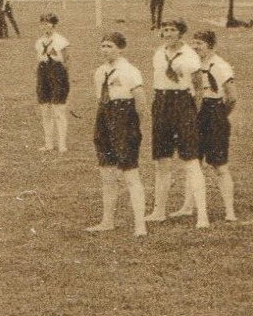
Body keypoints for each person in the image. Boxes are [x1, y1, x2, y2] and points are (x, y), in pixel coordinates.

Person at [88, 33, 148, 237]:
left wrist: (135, 127)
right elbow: (101, 99)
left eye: (110, 46)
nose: (105, 50)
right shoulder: (100, 72)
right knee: (107, 173)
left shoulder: (129, 71)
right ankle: (107, 221)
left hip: (124, 118)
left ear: (120, 48)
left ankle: (140, 225)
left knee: (130, 173)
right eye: (103, 46)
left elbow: (140, 102)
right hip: (105, 116)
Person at [147, 20, 206, 226]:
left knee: (190, 159)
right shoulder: (158, 53)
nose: (168, 33)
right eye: (165, 30)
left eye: (172, 30)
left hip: (182, 103)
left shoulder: (190, 56)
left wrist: (193, 113)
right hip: (161, 103)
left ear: (181, 33)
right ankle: (159, 211)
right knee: (161, 160)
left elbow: (199, 88)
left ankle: (202, 216)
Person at [189, 30, 237, 222]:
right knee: (194, 162)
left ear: (210, 45)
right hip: (196, 113)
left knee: (220, 165)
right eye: (194, 43)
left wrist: (219, 116)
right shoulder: (192, 66)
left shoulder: (221, 66)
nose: (195, 46)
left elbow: (232, 97)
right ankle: (190, 206)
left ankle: (230, 211)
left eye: (199, 43)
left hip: (215, 111)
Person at [35, 13, 70, 152]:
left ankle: (62, 144)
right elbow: (39, 59)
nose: (45, 26)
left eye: (48, 23)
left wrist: (62, 78)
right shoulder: (38, 42)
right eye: (42, 23)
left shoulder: (61, 41)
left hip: (57, 72)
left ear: (54, 25)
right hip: (43, 72)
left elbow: (67, 60)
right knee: (45, 109)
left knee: (58, 109)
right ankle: (48, 143)